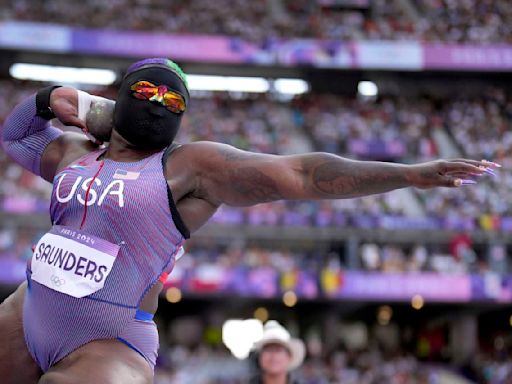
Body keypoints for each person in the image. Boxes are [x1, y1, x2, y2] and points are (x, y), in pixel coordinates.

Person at [0, 57, 496, 384]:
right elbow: (17, 137)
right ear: (120, 97)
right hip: (27, 311)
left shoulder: (188, 166)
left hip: (105, 342)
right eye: (149, 91)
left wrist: (407, 175)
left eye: (174, 102)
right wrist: (51, 100)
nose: (159, 104)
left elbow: (300, 174)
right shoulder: (74, 151)